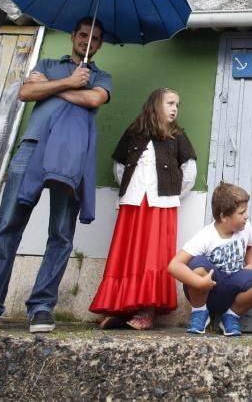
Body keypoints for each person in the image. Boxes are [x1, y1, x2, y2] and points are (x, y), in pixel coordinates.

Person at [0, 17, 111, 334]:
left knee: (61, 234)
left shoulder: (101, 77)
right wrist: (69, 83)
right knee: (9, 226)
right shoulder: (48, 63)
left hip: (72, 155)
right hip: (31, 147)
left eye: (95, 39)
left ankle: (41, 306)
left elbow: (94, 99)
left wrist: (49, 89)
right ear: (73, 36)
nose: (88, 41)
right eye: (84, 35)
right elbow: (26, 93)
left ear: (99, 45)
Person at [90, 87, 197, 331]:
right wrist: (133, 188)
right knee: (127, 254)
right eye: (170, 103)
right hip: (133, 202)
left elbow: (189, 170)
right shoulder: (134, 133)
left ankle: (146, 309)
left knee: (153, 255)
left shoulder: (177, 135)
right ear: (155, 104)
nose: (175, 109)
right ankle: (118, 307)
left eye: (177, 105)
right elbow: (119, 166)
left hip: (162, 206)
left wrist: (171, 193)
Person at [168, 182, 252, 336]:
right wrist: (200, 282)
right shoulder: (206, 236)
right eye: (241, 213)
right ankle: (199, 313)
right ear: (224, 217)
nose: (246, 216)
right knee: (197, 264)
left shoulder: (245, 227)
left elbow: (250, 246)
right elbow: (174, 265)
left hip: (233, 288)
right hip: (208, 290)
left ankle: (231, 316)